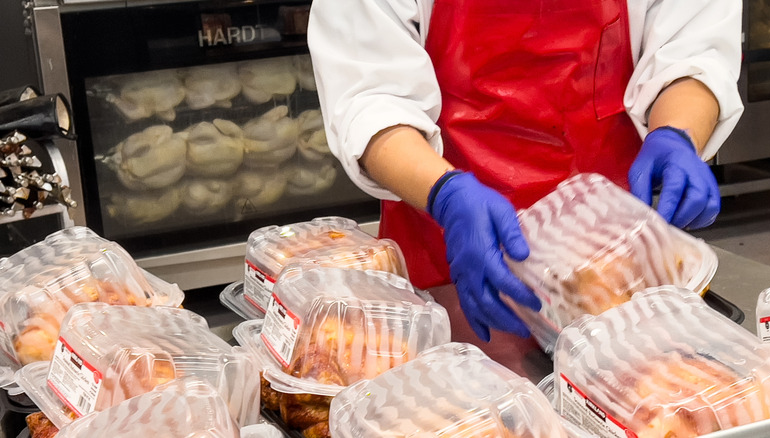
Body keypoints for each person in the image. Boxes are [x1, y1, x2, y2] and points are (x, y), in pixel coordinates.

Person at [307, 0, 743, 342]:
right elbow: (369, 96)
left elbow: (693, 45)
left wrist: (677, 134)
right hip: (451, 252)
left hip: (611, 261)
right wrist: (445, 194)